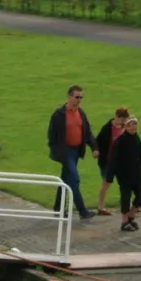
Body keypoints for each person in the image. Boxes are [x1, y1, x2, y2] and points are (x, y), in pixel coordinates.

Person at [46, 84, 98, 219]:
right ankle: (82, 211)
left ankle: (58, 209)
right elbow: (51, 135)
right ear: (69, 97)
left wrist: (94, 148)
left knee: (65, 179)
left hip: (75, 151)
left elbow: (87, 133)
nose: (79, 100)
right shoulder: (59, 115)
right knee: (74, 179)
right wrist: (58, 152)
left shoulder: (80, 113)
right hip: (66, 152)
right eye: (77, 97)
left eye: (81, 97)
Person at [110, 116, 141, 231]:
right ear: (126, 126)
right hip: (124, 175)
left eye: (135, 126)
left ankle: (131, 215)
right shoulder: (120, 140)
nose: (134, 128)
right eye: (132, 126)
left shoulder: (136, 138)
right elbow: (114, 159)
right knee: (126, 197)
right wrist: (110, 176)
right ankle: (124, 222)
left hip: (136, 174)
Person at [94, 107, 130, 215]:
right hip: (107, 161)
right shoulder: (107, 129)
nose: (123, 122)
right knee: (106, 183)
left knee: (125, 183)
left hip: (120, 162)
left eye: (125, 120)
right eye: (122, 120)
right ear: (117, 117)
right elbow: (97, 141)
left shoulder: (124, 128)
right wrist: (96, 151)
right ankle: (100, 207)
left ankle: (127, 205)